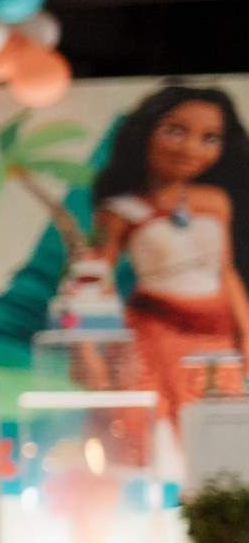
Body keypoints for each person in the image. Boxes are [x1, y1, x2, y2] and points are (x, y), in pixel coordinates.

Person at [88, 84, 249, 425]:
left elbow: (224, 272)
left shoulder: (215, 200)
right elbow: (93, 280)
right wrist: (87, 351)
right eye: (175, 131)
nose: (191, 148)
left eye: (210, 138)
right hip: (153, 334)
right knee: (154, 432)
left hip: (214, 338)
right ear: (145, 132)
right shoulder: (119, 210)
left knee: (217, 429)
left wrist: (246, 333)